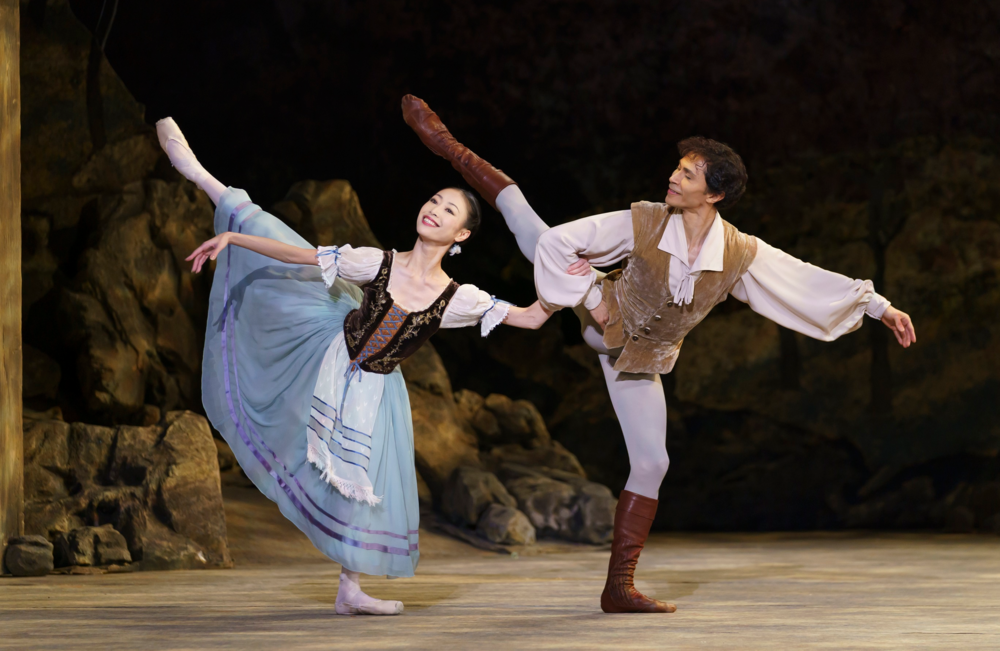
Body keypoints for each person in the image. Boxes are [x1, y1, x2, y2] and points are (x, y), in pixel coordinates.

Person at [400, 95, 916, 614]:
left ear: (713, 193)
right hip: (603, 309)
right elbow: (561, 243)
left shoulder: (739, 253)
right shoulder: (645, 220)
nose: (673, 177)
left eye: (688, 174)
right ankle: (447, 145)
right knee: (527, 222)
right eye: (678, 167)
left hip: (638, 361)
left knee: (652, 462)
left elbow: (801, 277)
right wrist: (587, 301)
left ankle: (618, 588)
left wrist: (878, 307)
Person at [156, 117, 552, 616]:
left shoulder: (459, 298)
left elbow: (532, 317)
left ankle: (350, 589)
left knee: (360, 484)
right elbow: (297, 255)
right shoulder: (376, 262)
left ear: (462, 234)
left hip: (377, 390)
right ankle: (204, 178)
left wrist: (566, 281)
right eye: (433, 201)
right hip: (327, 353)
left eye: (447, 209)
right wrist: (234, 241)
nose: (433, 209)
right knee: (264, 233)